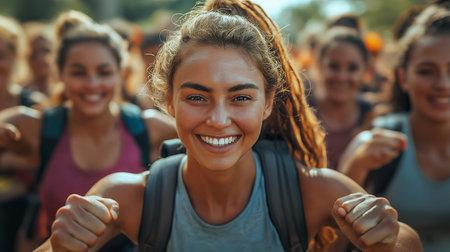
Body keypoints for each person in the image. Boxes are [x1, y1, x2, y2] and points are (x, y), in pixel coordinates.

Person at [34, 4, 422, 252]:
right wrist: (60, 247)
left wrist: (389, 241)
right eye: (197, 97)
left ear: (268, 102)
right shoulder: (127, 198)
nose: (219, 119)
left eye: (240, 98)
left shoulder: (314, 191)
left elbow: (408, 242)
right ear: (169, 102)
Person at [0, 10, 177, 251]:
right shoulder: (39, 126)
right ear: (60, 74)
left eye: (104, 72)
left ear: (120, 73)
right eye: (78, 72)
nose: (92, 84)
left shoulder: (147, 127)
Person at [338, 2, 450, 251]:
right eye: (426, 71)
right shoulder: (372, 144)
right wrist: (354, 166)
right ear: (403, 78)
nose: (442, 84)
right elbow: (333, 239)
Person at [0, 14, 47, 252]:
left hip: (23, 212)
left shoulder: (34, 104)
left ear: (15, 58)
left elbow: (49, 157)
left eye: (1, 56)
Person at [310, 25, 375, 170]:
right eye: (334, 66)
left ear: (366, 71)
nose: (342, 77)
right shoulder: (298, 115)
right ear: (319, 66)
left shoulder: (373, 118)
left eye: (352, 68)